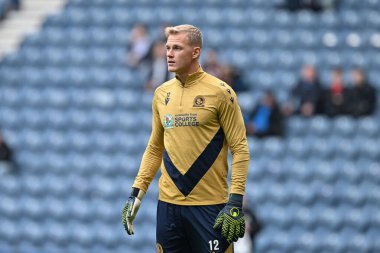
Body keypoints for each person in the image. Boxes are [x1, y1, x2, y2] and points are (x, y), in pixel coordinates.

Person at [122, 24, 250, 253]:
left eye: (177, 48)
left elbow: (240, 148)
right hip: (169, 208)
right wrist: (136, 192)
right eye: (167, 47)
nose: (168, 53)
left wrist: (235, 201)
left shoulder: (221, 92)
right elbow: (154, 148)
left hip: (210, 207)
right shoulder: (161, 94)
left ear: (195, 52)